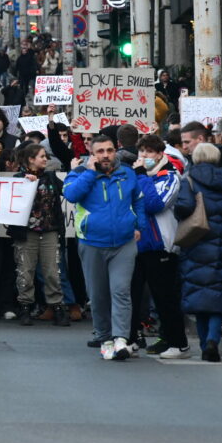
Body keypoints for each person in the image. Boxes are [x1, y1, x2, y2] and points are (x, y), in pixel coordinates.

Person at [64, 134, 144, 361]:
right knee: (98, 295)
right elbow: (71, 194)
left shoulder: (126, 173)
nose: (106, 155)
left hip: (124, 242)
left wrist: (139, 225)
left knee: (120, 290)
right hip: (92, 244)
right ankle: (105, 338)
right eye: (100, 151)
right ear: (92, 152)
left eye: (109, 150)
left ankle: (121, 338)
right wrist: (90, 172)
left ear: (115, 150)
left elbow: (138, 199)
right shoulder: (80, 173)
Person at [173, 143, 222, 362]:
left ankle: (204, 344)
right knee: (219, 296)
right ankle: (213, 339)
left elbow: (183, 207)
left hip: (197, 242)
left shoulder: (189, 179)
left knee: (198, 297)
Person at [130, 134, 189, 358]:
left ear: (160, 155)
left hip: (161, 246)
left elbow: (155, 203)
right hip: (137, 245)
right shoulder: (139, 176)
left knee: (164, 297)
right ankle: (132, 337)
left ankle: (179, 343)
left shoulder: (170, 177)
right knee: (133, 295)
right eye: (141, 152)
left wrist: (143, 177)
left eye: (149, 152)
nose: (144, 156)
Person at [11, 143, 70, 327]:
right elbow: (8, 200)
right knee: (25, 271)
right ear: (31, 159)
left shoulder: (51, 178)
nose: (46, 159)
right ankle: (25, 306)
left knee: (52, 271)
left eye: (46, 156)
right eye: (42, 156)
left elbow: (69, 191)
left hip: (50, 231)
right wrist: (26, 184)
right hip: (26, 233)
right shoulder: (18, 179)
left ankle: (57, 307)